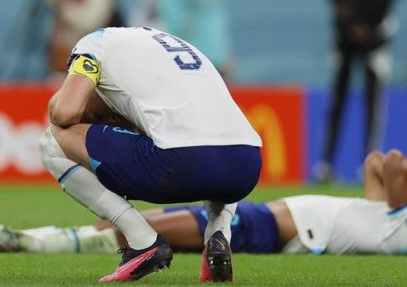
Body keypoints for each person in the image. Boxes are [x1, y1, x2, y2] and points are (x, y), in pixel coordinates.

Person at [35, 27, 262, 282]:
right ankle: (218, 236)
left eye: (103, 118)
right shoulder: (173, 45)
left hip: (183, 165)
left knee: (51, 140)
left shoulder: (92, 45)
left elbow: (65, 112)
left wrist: (64, 100)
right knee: (212, 141)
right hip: (247, 165)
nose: (106, 121)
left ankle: (143, 242)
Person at [0, 149, 407, 257]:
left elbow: (399, 162)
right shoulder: (397, 223)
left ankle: (17, 245)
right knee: (133, 224)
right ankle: (17, 241)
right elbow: (378, 164)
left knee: (134, 227)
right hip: (280, 224)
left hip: (277, 230)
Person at [318, 0, 403, 182]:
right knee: (373, 100)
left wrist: (351, 18)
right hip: (375, 33)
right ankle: (370, 164)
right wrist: (367, 21)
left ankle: (326, 163)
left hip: (344, 33)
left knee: (338, 98)